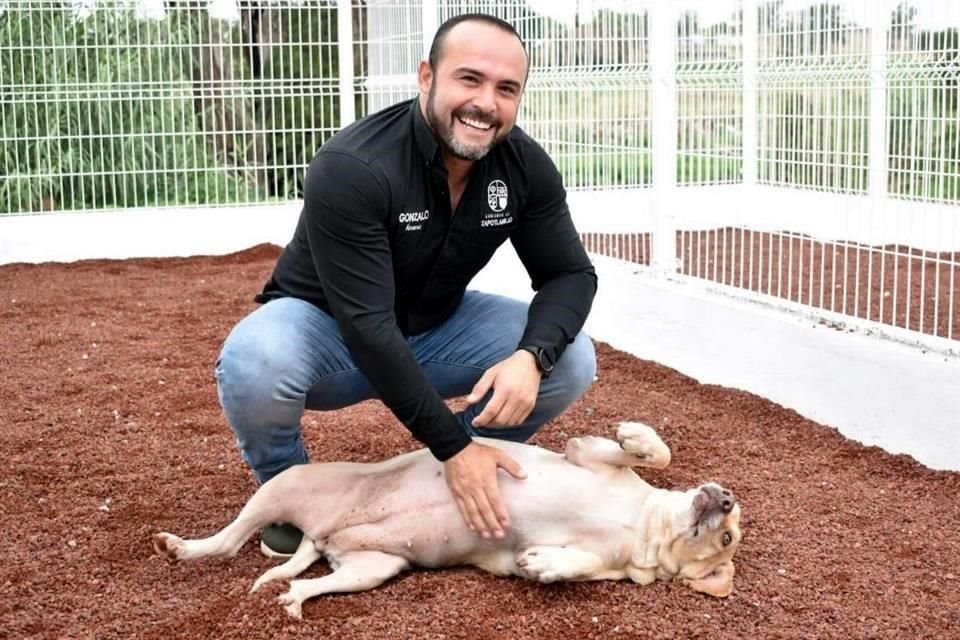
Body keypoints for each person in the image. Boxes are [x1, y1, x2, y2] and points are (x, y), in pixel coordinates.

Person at [215, 12, 598, 558]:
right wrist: (452, 443)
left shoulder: (524, 167)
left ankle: (439, 482)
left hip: (435, 328)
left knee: (571, 357)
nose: (486, 103)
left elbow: (570, 274)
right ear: (427, 77)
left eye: (506, 88)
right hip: (331, 334)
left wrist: (531, 358)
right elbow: (367, 326)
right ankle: (290, 493)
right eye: (469, 79)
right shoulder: (354, 166)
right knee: (256, 358)